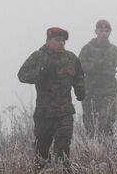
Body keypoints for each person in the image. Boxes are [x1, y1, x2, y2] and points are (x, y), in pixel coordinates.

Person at [18, 26, 85, 166]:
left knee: (63, 144)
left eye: (63, 40)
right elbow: (22, 75)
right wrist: (40, 71)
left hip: (65, 111)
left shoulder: (70, 58)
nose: (61, 43)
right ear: (48, 40)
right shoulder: (38, 56)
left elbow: (79, 74)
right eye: (57, 40)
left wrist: (80, 89)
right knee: (42, 150)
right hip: (44, 113)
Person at [76, 19, 117, 136]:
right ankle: (92, 150)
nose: (104, 33)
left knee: (107, 120)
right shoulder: (87, 49)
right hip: (90, 91)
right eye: (101, 30)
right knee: (90, 124)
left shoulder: (115, 51)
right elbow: (79, 66)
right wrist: (95, 67)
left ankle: (106, 148)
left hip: (108, 92)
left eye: (106, 31)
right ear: (96, 31)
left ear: (110, 32)